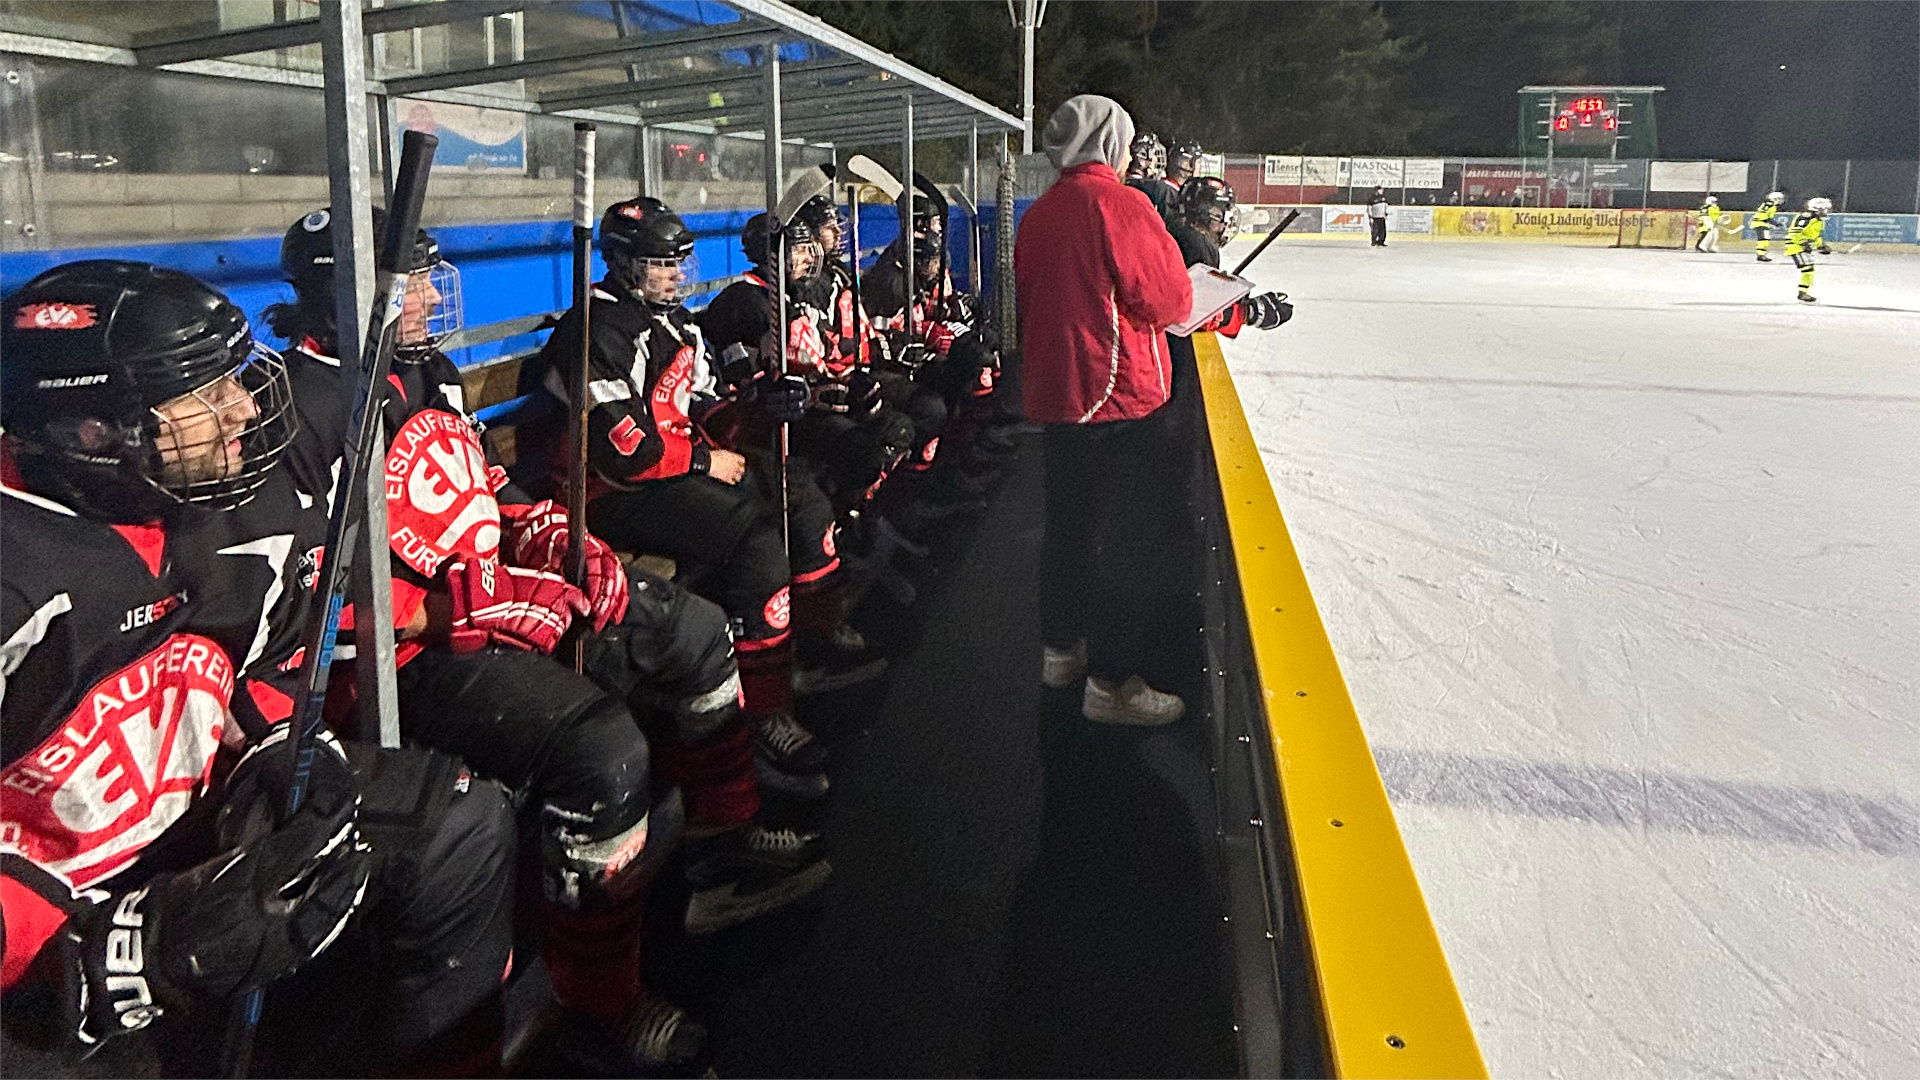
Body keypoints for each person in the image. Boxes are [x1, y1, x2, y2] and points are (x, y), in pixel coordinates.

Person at [267, 209, 826, 1070]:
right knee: (601, 755)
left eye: (424, 270)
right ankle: (599, 999)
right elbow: (309, 606)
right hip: (396, 664)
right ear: (343, 291)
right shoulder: (298, 412)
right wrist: (460, 607)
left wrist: (549, 537)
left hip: (495, 600)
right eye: (407, 276)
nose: (426, 290)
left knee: (694, 632)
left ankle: (719, 850)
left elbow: (478, 486)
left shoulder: (428, 371)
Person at [0, 260, 518, 1076]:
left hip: (197, 833)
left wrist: (277, 752)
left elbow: (270, 661)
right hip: (52, 925)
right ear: (93, 430)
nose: (242, 408)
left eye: (233, 380)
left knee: (456, 824)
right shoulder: (17, 573)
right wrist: (123, 953)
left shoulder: (243, 509)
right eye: (204, 395)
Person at [1014, 94, 1194, 727]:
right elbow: (1171, 299)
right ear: (1111, 146)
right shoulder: (1121, 205)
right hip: (1118, 402)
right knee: (1125, 544)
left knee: (1067, 530)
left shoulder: (1038, 214)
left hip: (1060, 401)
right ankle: (1111, 684)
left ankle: (1061, 652)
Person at [1785, 196, 1833, 303]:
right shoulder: (1805, 218)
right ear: (1818, 208)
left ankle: (1803, 292)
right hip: (1796, 247)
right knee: (1808, 269)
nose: (1826, 211)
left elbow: (1814, 237)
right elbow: (1795, 232)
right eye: (1824, 209)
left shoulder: (1818, 221)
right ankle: (1802, 293)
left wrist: (1821, 246)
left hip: (1803, 247)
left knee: (1809, 270)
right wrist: (1803, 242)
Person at [1124, 131, 1173, 219]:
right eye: (1155, 153)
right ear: (1142, 157)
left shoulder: (1119, 181)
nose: (1157, 159)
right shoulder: (1156, 188)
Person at [1751, 190, 1786, 262]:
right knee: (1764, 239)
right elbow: (1765, 216)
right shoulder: (1770, 205)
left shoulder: (1768, 204)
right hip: (1760, 223)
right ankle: (1761, 255)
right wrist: (1775, 223)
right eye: (1779, 198)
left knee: (1764, 239)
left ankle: (1761, 254)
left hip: (1760, 222)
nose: (1781, 200)